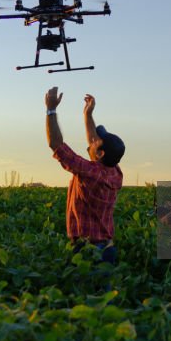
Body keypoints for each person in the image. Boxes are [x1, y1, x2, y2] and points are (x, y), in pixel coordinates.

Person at [44, 87, 125, 267]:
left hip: (88, 251)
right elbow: (93, 144)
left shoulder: (91, 173)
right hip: (107, 248)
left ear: (101, 154)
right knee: (103, 294)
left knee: (83, 293)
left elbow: (56, 144)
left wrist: (51, 110)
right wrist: (87, 115)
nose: (94, 140)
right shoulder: (115, 173)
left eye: (98, 140)